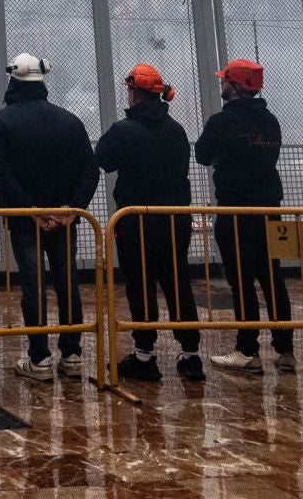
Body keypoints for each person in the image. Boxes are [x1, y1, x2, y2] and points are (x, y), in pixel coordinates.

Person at [0, 53, 99, 382]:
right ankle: (73, 354)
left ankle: (39, 359)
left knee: (33, 286)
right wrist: (69, 209)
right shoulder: (70, 121)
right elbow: (90, 170)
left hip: (25, 221)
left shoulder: (4, 121)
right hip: (65, 221)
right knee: (68, 284)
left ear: (14, 81)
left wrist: (30, 209)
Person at [96, 63, 203, 383]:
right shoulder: (177, 130)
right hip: (175, 222)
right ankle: (191, 355)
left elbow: (103, 159)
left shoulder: (124, 130)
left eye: (128, 90)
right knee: (178, 284)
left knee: (140, 286)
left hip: (136, 223)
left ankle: (145, 356)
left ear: (134, 92)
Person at [194, 58, 295, 375]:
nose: (221, 83)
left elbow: (202, 155)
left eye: (225, 80)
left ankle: (247, 349)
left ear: (234, 87)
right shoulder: (271, 121)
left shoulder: (223, 122)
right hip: (269, 207)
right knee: (272, 277)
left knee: (241, 279)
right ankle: (285, 350)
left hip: (235, 208)